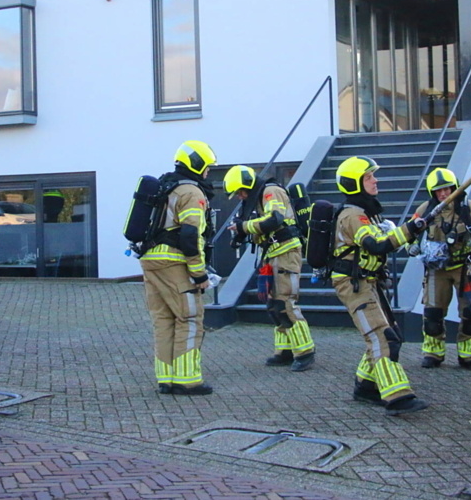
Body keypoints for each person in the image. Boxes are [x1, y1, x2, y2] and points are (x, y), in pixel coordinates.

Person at [331, 156, 429, 416]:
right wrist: (410, 229)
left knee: (389, 334)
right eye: (368, 177)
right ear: (354, 184)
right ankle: (397, 397)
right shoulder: (353, 216)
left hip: (368, 281)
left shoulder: (365, 213)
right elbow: (377, 244)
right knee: (382, 338)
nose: (375, 181)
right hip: (354, 284)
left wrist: (410, 230)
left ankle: (366, 386)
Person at [139, 140, 217, 396]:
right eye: (207, 168)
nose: (208, 173)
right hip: (174, 262)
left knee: (163, 320)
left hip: (151, 259)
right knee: (189, 317)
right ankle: (187, 380)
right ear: (196, 165)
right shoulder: (191, 192)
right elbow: (190, 235)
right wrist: (199, 274)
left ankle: (166, 377)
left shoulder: (166, 187)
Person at [224, 165, 315, 372]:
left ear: (247, 184)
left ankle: (305, 351)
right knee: (274, 305)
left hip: (286, 252)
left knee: (286, 302)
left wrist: (244, 227)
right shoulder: (256, 197)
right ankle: (285, 350)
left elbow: (275, 218)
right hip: (272, 253)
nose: (240, 197)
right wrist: (240, 234)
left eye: (240, 192)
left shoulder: (271, 191)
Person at [408, 168, 471, 371]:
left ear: (454, 187)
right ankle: (433, 353)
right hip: (436, 269)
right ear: (432, 193)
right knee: (432, 314)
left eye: (446, 189)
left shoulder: (468, 207)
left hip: (467, 267)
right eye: (438, 191)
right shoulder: (425, 210)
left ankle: (469, 355)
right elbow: (409, 231)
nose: (443, 194)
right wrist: (411, 247)